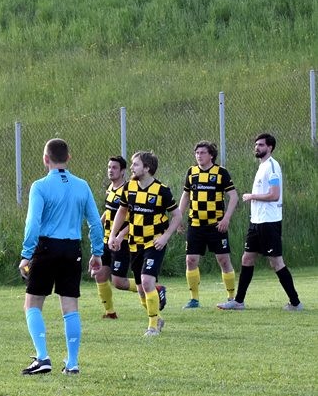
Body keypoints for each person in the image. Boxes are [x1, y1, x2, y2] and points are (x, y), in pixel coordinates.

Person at [19, 139, 103, 375]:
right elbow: (96, 223)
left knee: (32, 303)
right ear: (69, 157)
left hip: (46, 247)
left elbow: (33, 223)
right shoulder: (82, 185)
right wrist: (97, 252)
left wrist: (26, 254)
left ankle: (43, 357)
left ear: (45, 159)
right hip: (72, 249)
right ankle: (72, 363)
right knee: (70, 306)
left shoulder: (40, 186)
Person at [218, 133, 303, 311]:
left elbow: (274, 195)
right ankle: (239, 301)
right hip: (256, 222)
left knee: (276, 262)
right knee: (247, 258)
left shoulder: (272, 166)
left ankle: (295, 303)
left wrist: (252, 196)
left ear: (270, 147)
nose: (257, 147)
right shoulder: (262, 166)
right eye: (256, 144)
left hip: (269, 222)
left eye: (261, 145)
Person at [109, 151, 182, 337]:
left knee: (148, 281)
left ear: (147, 168)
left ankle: (152, 327)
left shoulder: (161, 190)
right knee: (141, 290)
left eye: (136, 164)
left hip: (154, 243)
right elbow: (122, 212)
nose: (132, 168)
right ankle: (157, 319)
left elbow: (177, 216)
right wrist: (114, 235)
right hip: (134, 244)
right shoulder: (129, 187)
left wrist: (165, 237)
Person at [177, 141, 239, 309]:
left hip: (216, 225)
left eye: (203, 152)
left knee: (223, 260)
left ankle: (231, 297)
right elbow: (185, 196)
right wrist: (179, 218)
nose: (199, 156)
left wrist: (226, 219)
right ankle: (194, 299)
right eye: (197, 153)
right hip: (195, 225)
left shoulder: (220, 172)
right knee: (191, 260)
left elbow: (234, 196)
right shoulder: (192, 172)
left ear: (211, 155)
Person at [93, 156, 139, 319]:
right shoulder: (110, 188)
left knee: (118, 282)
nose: (110, 170)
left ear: (123, 171)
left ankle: (153, 288)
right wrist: (98, 223)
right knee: (100, 275)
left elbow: (135, 218)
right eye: (109, 167)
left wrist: (120, 235)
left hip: (121, 243)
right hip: (106, 240)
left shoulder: (128, 190)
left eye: (114, 168)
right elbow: (109, 210)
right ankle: (110, 312)